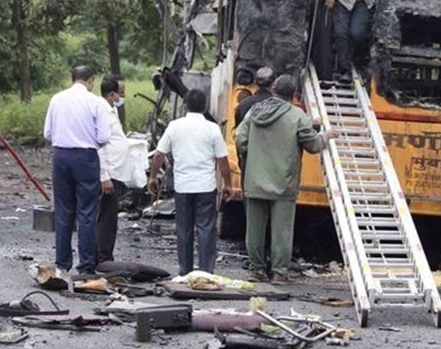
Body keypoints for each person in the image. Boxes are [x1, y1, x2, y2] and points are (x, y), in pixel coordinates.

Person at [235, 74, 336, 283]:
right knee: (282, 230)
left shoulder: (255, 111)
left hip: (254, 180)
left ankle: (257, 270)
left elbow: (240, 138)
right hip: (283, 182)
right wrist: (326, 136)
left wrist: (251, 155)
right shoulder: (297, 116)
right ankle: (279, 272)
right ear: (294, 95)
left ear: (273, 90)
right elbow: (313, 145)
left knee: (254, 229)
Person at [149, 89, 236, 276]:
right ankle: (206, 272)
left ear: (186, 105)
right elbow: (222, 160)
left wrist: (153, 177)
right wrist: (228, 184)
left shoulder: (174, 126)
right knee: (206, 229)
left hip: (183, 186)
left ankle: (185, 272)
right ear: (204, 107)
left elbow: (159, 154)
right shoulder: (212, 128)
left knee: (184, 229)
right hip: (206, 186)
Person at [44, 66, 113, 275]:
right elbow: (103, 137)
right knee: (87, 212)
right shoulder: (96, 102)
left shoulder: (57, 99)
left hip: (61, 156)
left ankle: (62, 264)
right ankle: (85, 265)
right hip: (86, 158)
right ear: (90, 81)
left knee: (64, 211)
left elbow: (47, 132)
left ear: (71, 78)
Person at [95, 75, 132, 265]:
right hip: (108, 173)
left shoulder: (110, 110)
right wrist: (104, 176)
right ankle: (103, 259)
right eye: (121, 94)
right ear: (111, 95)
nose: (122, 97)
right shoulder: (102, 112)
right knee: (106, 219)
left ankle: (102, 256)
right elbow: (98, 145)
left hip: (115, 171)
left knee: (109, 218)